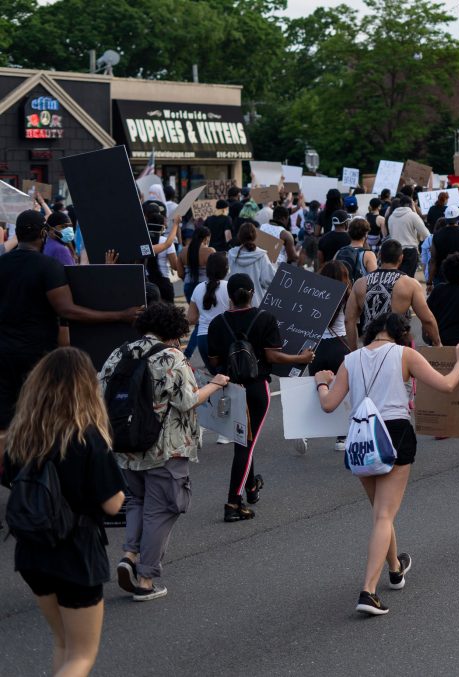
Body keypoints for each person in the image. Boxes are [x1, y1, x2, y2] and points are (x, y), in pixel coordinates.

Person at [313, 313, 459, 616]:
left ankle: (396, 569)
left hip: (361, 437)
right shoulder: (404, 354)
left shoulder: (351, 359)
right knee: (385, 514)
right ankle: (368, 592)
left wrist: (322, 383)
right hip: (394, 432)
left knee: (380, 513)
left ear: (369, 332)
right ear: (401, 333)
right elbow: (447, 385)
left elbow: (329, 403)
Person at [1, 348, 126, 677]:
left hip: (32, 551)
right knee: (82, 655)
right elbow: (113, 504)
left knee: (62, 644)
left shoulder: (22, 436)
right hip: (76, 553)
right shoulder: (87, 438)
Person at [98, 302, 230, 602]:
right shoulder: (171, 357)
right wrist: (215, 384)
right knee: (163, 508)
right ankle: (145, 579)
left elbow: (99, 391)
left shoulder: (119, 353)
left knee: (136, 501)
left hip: (126, 445)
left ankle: (129, 554)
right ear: (174, 330)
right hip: (165, 447)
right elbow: (187, 401)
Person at [0, 211, 142, 439]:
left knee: (5, 421)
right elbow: (67, 310)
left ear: (16, 234)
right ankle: (35, 468)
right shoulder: (48, 266)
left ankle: (7, 470)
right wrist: (119, 315)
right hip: (37, 356)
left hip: (3, 353)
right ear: (43, 233)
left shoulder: (3, 263)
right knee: (40, 416)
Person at [206, 273, 314, 522]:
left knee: (244, 438)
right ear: (252, 293)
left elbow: (213, 361)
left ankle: (251, 488)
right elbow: (273, 357)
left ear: (229, 296)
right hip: (256, 388)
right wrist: (301, 358)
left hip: (231, 388)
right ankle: (233, 503)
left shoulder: (217, 323)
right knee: (246, 443)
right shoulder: (265, 318)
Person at [346, 240, 440, 347]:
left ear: (380, 256)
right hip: (398, 348)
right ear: (401, 258)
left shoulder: (360, 283)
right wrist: (437, 343)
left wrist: (353, 351)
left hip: (370, 347)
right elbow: (427, 319)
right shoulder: (410, 284)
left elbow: (349, 320)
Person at [185, 252, 231, 374]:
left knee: (216, 378)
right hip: (225, 337)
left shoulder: (198, 288)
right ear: (225, 269)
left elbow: (191, 318)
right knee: (230, 378)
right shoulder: (229, 287)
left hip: (203, 339)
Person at [227, 222, 277, 298]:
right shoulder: (262, 255)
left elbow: (226, 279)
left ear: (239, 236)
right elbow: (268, 280)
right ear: (255, 236)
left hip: (234, 303)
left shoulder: (231, 254)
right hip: (255, 301)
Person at [384, 197, 429, 277]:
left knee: (396, 278)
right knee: (407, 279)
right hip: (410, 251)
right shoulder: (412, 215)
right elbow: (425, 233)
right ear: (410, 204)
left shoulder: (391, 217)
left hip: (394, 250)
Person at [334, 217, 378, 282]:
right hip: (359, 291)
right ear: (366, 235)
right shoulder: (368, 255)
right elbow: (374, 280)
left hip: (341, 290)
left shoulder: (339, 251)